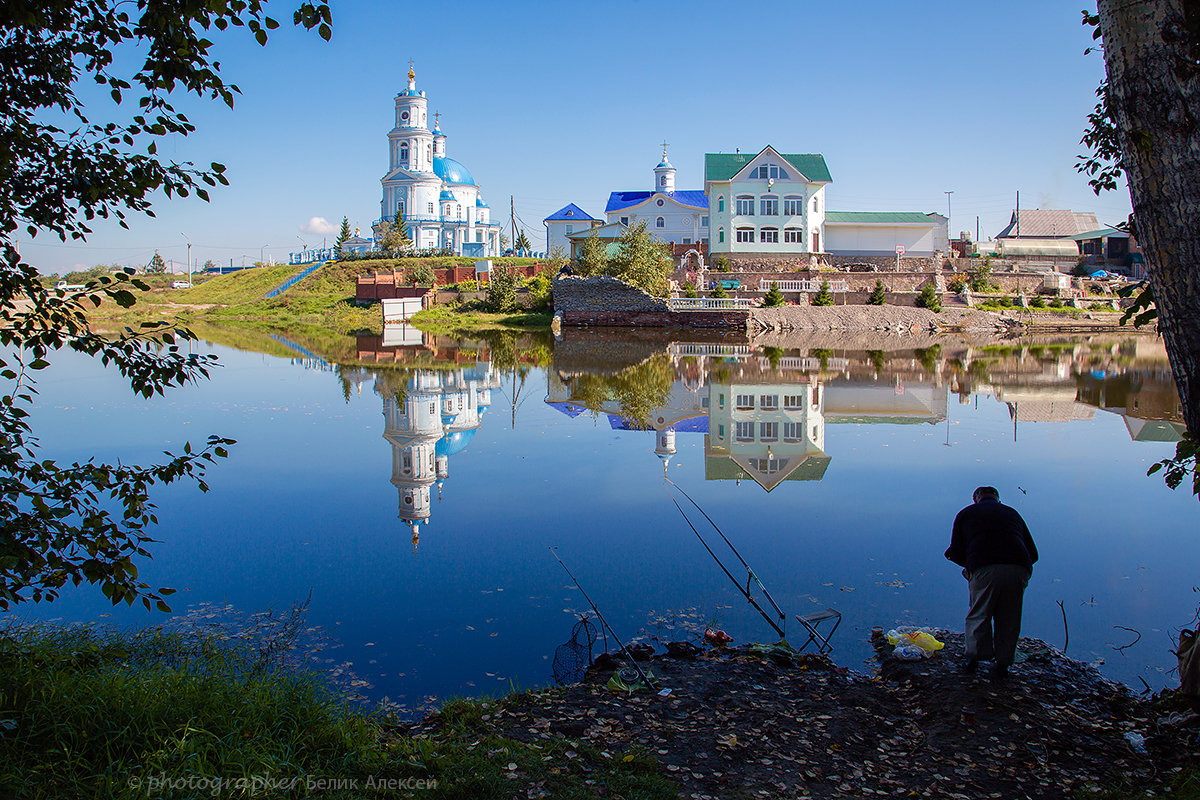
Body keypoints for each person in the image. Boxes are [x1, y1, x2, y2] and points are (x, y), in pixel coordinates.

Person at [945, 486, 1038, 679]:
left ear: (976, 499)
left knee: (980, 612)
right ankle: (1003, 664)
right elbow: (1033, 553)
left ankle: (975, 658)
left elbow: (955, 551)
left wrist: (970, 566)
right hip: (1019, 567)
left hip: (984, 567)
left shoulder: (966, 513)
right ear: (998, 499)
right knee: (1009, 617)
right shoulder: (1012, 513)